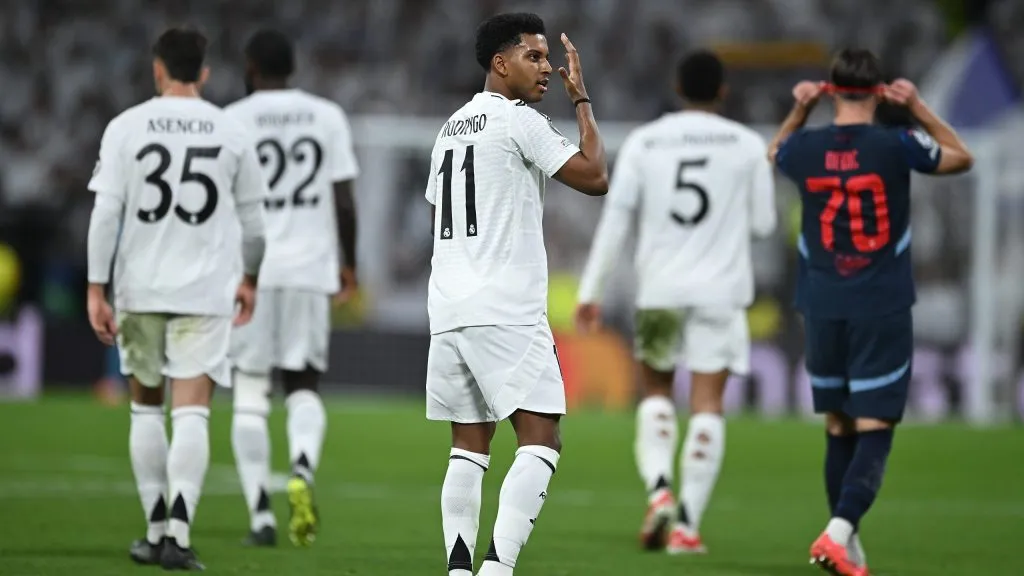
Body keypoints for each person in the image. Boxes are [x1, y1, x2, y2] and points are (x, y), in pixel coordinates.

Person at [768, 48, 974, 576]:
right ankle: (839, 534)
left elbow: (774, 152)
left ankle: (847, 542)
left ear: (831, 90)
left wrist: (800, 109)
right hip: (880, 302)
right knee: (875, 422)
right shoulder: (896, 143)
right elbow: (961, 156)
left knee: (839, 424)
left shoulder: (806, 147)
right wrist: (918, 107)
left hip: (822, 304)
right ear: (880, 91)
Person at [424, 12, 608, 576]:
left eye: (547, 57)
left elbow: (439, 211)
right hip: (505, 307)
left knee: (468, 445)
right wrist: (582, 101)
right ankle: (498, 568)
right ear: (500, 64)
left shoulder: (450, 127)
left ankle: (459, 570)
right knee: (542, 438)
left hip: (449, 305)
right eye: (534, 56)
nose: (548, 67)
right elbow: (595, 176)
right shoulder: (516, 119)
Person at [575, 50, 777, 554]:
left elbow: (616, 221)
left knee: (657, 393)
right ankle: (686, 526)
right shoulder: (747, 145)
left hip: (660, 292)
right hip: (721, 293)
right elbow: (763, 225)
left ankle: (660, 490)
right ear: (723, 91)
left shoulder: (646, 142)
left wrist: (590, 291)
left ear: (677, 87)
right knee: (707, 403)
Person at [85, 27, 268, 571]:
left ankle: (153, 530)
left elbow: (105, 214)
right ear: (204, 73)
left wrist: (95, 287)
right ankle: (180, 537)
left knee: (146, 408)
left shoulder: (125, 126)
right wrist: (250, 278)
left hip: (140, 288)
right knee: (192, 413)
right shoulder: (231, 130)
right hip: (205, 291)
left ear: (158, 69)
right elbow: (256, 226)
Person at [225, 28, 360, 549]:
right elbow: (343, 200)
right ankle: (301, 466)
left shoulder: (233, 120)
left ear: (251, 67)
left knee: (250, 388)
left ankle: (260, 514)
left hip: (250, 271)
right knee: (303, 384)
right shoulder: (327, 116)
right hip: (309, 268)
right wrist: (349, 265)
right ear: (292, 67)